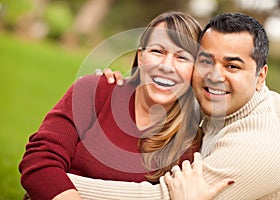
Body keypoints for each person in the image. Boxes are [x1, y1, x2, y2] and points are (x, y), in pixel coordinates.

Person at [68, 12, 280, 199]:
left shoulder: (259, 148)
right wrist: (116, 87)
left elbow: (163, 197)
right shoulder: (228, 103)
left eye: (232, 66)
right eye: (206, 61)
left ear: (261, 76)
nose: (214, 76)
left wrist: (57, 184)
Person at [19, 11, 233, 200]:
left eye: (182, 57)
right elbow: (39, 160)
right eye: (157, 51)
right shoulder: (95, 91)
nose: (167, 66)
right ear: (141, 57)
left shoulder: (189, 142)